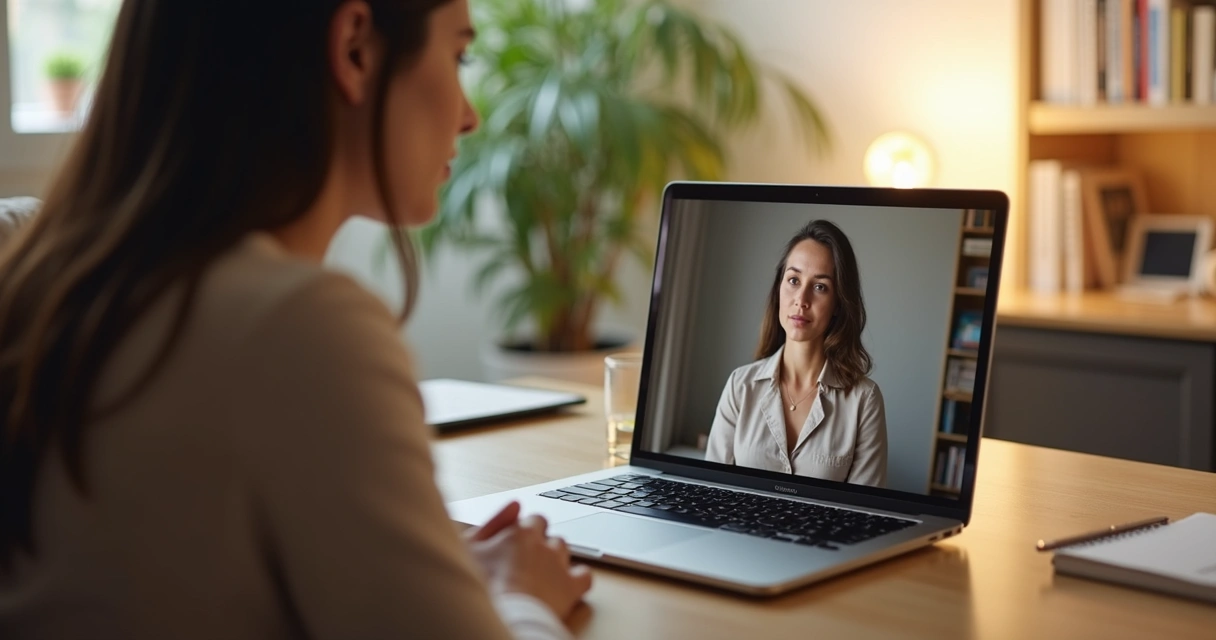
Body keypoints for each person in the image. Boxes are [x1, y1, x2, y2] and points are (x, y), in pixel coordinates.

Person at [0, 1, 590, 638]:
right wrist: (518, 596)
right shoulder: (296, 329)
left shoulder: (50, 283)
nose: (470, 115)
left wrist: (426, 581)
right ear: (355, 50)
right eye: (458, 55)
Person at [705, 220, 888, 487]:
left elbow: (865, 512)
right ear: (779, 287)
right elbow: (711, 490)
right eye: (793, 280)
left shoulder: (864, 401)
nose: (801, 300)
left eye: (820, 287)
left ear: (838, 303)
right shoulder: (740, 386)